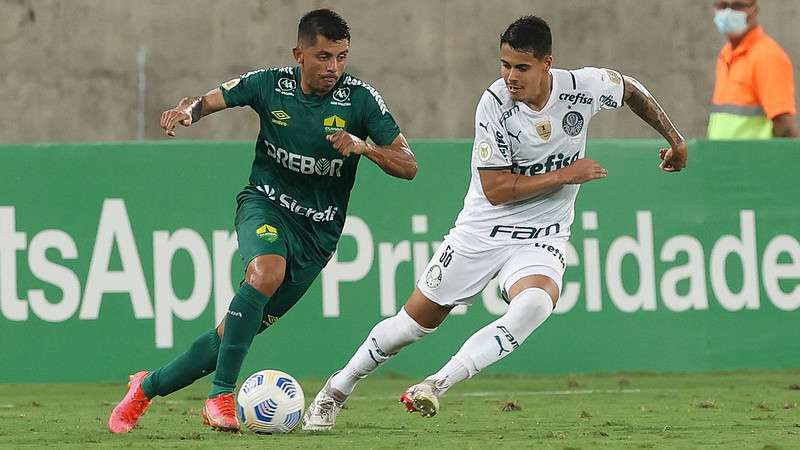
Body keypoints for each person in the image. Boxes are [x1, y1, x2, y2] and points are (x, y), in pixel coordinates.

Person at [302, 14, 688, 431]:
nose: (510, 76)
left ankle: (436, 384)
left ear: (547, 63)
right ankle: (335, 391)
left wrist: (675, 140)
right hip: (483, 232)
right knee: (410, 327)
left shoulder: (583, 88)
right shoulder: (494, 104)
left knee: (536, 304)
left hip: (543, 236)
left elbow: (631, 89)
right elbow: (496, 189)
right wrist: (566, 174)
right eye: (504, 65)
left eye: (521, 67)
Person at [108, 9, 417, 433]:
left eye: (342, 57)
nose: (334, 68)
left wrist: (364, 147)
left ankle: (144, 388)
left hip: (317, 237)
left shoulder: (360, 99)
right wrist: (189, 111)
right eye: (324, 57)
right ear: (299, 54)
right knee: (266, 271)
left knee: (228, 337)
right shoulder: (271, 84)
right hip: (265, 205)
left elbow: (408, 165)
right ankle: (220, 396)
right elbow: (215, 98)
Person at [708, 0, 799, 138]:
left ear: (754, 10)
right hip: (724, 158)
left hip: (755, 158)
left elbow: (785, 127)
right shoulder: (726, 54)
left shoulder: (767, 56)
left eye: (737, 6)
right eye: (722, 5)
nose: (728, 12)